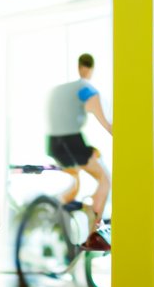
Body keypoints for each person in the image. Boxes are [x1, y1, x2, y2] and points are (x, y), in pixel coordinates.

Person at [45, 53, 112, 233]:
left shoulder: (64, 89)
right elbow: (101, 115)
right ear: (89, 69)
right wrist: (112, 129)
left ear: (79, 67)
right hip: (71, 141)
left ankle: (51, 216)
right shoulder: (86, 88)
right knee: (105, 180)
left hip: (53, 142)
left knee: (74, 185)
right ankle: (93, 231)